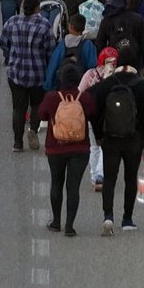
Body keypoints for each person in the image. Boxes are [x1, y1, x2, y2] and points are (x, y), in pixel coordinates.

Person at [88, 47, 144, 234]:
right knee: (130, 179)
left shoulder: (107, 84)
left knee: (109, 178)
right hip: (134, 139)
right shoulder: (141, 86)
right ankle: (127, 219)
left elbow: (95, 112)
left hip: (111, 139)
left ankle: (108, 216)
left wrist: (99, 135)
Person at [38, 61, 98, 237]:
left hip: (55, 148)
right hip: (80, 149)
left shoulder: (51, 97)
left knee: (56, 183)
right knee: (73, 187)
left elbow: (41, 114)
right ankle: (70, 226)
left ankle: (56, 222)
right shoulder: (84, 98)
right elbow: (93, 115)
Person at [0, 0, 57, 151]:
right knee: (37, 104)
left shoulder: (12, 22)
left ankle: (17, 143)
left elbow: (2, 41)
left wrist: (9, 55)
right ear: (38, 8)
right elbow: (50, 50)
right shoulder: (44, 25)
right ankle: (33, 129)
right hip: (38, 74)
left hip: (16, 72)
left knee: (18, 108)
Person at [96, 0, 144, 74]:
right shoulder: (138, 19)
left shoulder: (107, 20)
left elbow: (99, 45)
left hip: (112, 62)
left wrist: (101, 66)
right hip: (134, 62)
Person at [46, 13, 100, 89]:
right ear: (84, 28)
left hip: (63, 86)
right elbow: (92, 65)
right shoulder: (88, 44)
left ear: (70, 27)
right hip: (81, 86)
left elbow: (53, 65)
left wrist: (49, 85)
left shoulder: (62, 44)